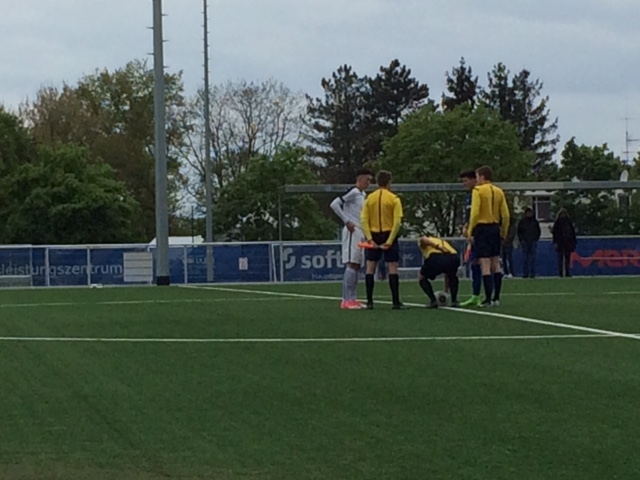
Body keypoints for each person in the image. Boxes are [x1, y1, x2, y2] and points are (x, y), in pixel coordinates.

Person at [361, 170, 405, 310]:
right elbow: (397, 222)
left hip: (374, 234)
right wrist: (390, 240)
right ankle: (395, 301)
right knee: (392, 266)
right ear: (389, 182)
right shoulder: (394, 199)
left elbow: (363, 219)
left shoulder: (369, 199)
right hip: (388, 233)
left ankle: (369, 301)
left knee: (370, 266)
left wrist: (369, 238)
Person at [467, 165, 510, 307]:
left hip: (482, 228)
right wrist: (503, 231)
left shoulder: (478, 191)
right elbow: (506, 215)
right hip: (495, 228)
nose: (476, 179)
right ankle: (496, 298)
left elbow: (475, 213)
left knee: (485, 264)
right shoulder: (499, 191)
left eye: (477, 177)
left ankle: (487, 298)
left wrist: (470, 230)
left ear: (482, 177)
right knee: (496, 263)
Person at [329, 168, 372, 309]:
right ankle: (346, 299)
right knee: (351, 263)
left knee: (357, 265)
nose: (369, 183)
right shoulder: (353, 192)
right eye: (367, 179)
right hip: (352, 231)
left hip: (360, 231)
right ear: (360, 178)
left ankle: (353, 298)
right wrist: (346, 221)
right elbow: (334, 204)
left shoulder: (363, 194)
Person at [458, 170, 483, 307]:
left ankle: (488, 296)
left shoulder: (480, 193)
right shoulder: (469, 196)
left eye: (466, 180)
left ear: (475, 179)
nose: (464, 183)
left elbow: (477, 215)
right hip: (472, 233)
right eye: (463, 181)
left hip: (480, 233)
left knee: (485, 263)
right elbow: (469, 215)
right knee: (474, 262)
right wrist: (465, 227)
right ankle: (476, 294)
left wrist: (473, 232)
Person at [418, 235, 460, 309]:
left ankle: (433, 300)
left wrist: (438, 247)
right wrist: (445, 291)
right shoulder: (441, 241)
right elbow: (446, 275)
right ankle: (454, 301)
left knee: (421, 277)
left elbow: (424, 240)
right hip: (454, 257)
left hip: (436, 257)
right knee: (451, 275)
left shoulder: (427, 241)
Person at [517, 207, 541, 279]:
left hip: (533, 241)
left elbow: (538, 231)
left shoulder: (535, 222)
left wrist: (535, 238)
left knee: (533, 258)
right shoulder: (522, 222)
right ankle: (525, 273)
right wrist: (521, 240)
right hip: (525, 242)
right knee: (525, 259)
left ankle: (532, 273)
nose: (529, 214)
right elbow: (519, 231)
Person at [552, 208, 577, 277]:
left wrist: (573, 242)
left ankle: (567, 272)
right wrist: (555, 242)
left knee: (567, 259)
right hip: (560, 242)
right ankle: (560, 272)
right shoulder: (557, 223)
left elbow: (572, 233)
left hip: (568, 242)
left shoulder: (569, 222)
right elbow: (555, 233)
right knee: (560, 258)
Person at [501, 212, 517, 278]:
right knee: (503, 259)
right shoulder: (503, 226)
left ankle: (511, 272)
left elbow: (511, 235)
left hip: (508, 244)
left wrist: (505, 241)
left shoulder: (511, 227)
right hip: (503, 244)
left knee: (509, 258)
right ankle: (506, 272)